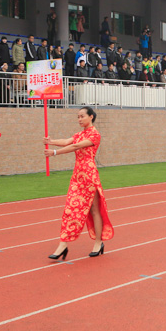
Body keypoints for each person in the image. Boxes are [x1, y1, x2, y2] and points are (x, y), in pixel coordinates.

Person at [43, 107, 114, 260]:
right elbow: (67, 142)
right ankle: (63, 244)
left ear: (91, 117)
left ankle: (98, 242)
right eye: (78, 117)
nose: (79, 119)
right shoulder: (79, 134)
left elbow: (75, 146)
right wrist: (52, 142)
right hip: (77, 176)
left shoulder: (95, 134)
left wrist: (54, 153)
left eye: (82, 116)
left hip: (89, 175)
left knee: (94, 209)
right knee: (70, 208)